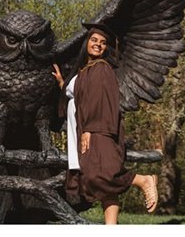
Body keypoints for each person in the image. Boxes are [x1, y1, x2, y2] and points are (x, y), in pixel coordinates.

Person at [52, 24, 158, 224]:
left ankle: (143, 180)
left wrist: (89, 130)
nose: (98, 45)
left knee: (99, 175)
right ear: (87, 43)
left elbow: (99, 101)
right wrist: (62, 83)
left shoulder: (101, 68)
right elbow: (78, 95)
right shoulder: (85, 71)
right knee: (101, 184)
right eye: (94, 40)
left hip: (98, 130)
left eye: (102, 43)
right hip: (86, 130)